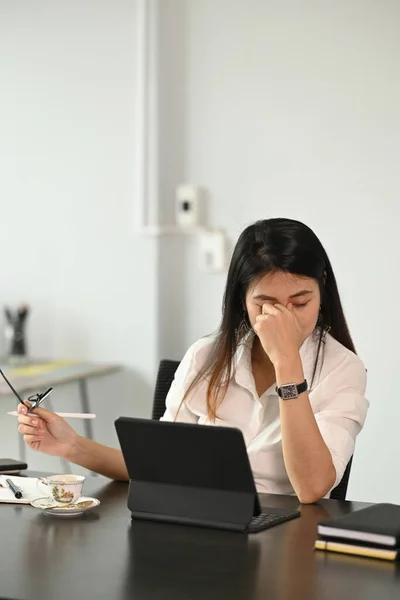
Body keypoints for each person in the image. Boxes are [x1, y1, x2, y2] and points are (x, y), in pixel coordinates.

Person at [17, 218, 368, 503]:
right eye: (265, 305)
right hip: (198, 522)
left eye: (300, 302)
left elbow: (312, 489)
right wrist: (71, 445)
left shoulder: (342, 369)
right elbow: (158, 466)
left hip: (283, 537)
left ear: (322, 288)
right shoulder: (206, 355)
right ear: (241, 300)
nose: (282, 318)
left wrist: (288, 363)